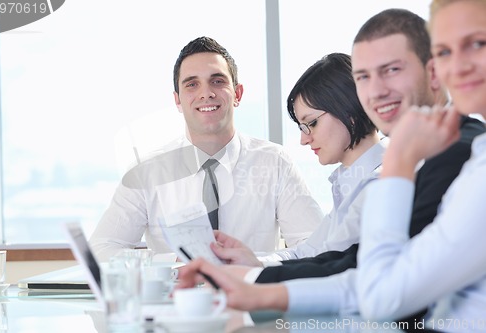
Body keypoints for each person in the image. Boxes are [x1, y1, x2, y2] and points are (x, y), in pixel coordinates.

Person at [177, 7, 486, 323]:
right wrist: (254, 283)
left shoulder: (458, 153)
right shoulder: (438, 153)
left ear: (432, 71)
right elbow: (356, 267)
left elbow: (380, 289)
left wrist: (398, 161)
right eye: (363, 77)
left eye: (392, 69)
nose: (375, 91)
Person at [89, 37, 323, 261]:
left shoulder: (274, 162)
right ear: (178, 101)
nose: (206, 93)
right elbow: (103, 249)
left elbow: (316, 246)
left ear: (238, 94)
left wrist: (256, 262)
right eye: (192, 84)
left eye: (218, 81)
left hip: (252, 298)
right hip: (176, 299)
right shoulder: (146, 172)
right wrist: (173, 265)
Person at [357, 0, 486, 329]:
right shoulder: (478, 156)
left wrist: (398, 159)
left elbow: (382, 298)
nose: (458, 66)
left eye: (478, 44)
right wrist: (269, 290)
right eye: (444, 52)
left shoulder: (462, 152)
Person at [211, 52, 383, 270]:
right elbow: (310, 252)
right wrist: (252, 261)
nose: (304, 139)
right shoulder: (350, 183)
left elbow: (330, 267)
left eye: (311, 123)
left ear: (348, 109)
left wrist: (256, 273)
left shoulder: (382, 184)